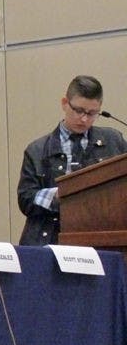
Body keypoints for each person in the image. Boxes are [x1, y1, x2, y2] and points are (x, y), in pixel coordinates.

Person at [17, 75, 127, 245]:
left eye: (92, 113)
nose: (84, 119)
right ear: (64, 103)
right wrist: (64, 193)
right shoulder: (37, 150)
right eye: (79, 110)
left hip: (103, 237)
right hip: (52, 237)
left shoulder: (114, 141)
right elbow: (26, 199)